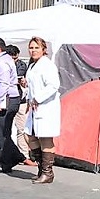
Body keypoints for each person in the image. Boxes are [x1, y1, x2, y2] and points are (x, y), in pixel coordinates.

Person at [23, 37, 62, 185]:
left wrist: (38, 98)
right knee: (29, 136)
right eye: (31, 48)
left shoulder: (47, 65)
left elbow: (53, 85)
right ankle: (41, 168)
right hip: (34, 107)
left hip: (45, 107)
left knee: (45, 138)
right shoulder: (33, 65)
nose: (33, 50)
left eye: (36, 48)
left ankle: (47, 173)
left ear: (43, 49)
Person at [0, 36, 25, 173]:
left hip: (7, 99)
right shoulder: (2, 60)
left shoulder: (2, 62)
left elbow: (4, 83)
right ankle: (15, 156)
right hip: (8, 99)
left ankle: (6, 162)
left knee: (1, 131)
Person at [6, 44, 35, 168]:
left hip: (21, 99)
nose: (15, 61)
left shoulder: (22, 65)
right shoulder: (2, 64)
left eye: (16, 58)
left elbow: (25, 81)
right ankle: (7, 155)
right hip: (7, 100)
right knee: (4, 130)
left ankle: (24, 155)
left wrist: (23, 82)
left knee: (22, 129)